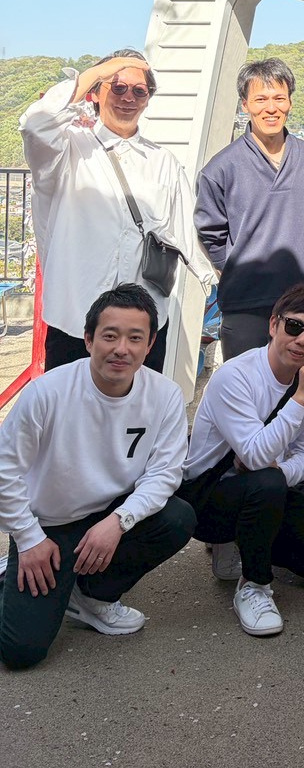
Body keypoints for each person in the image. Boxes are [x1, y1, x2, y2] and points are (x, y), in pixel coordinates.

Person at [0, 284, 195, 670]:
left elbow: (165, 473)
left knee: (178, 517)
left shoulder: (165, 395)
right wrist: (29, 537)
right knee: (22, 651)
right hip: (50, 525)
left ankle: (92, 596)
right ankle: (15, 571)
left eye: (135, 338)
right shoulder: (47, 393)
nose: (121, 348)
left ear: (150, 344)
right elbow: (5, 470)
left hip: (109, 514)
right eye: (110, 335)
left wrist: (118, 522)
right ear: (88, 339)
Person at [20, 50, 217, 372]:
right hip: (75, 318)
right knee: (70, 402)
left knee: (141, 403)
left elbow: (188, 232)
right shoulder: (67, 150)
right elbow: (35, 125)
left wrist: (221, 280)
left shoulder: (163, 162)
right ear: (95, 93)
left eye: (140, 91)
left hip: (144, 324)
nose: (128, 97)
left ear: (148, 99)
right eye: (118, 87)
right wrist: (100, 71)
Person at [179, 282, 304, 637]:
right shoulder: (236, 376)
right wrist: (300, 398)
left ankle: (248, 540)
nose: (302, 340)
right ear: (274, 324)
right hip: (208, 499)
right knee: (266, 480)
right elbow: (256, 455)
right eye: (294, 326)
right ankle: (254, 584)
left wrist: (281, 470)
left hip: (268, 492)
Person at [195, 57, 304, 361]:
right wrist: (239, 269)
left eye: (279, 98)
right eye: (260, 99)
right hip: (246, 306)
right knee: (246, 388)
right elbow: (210, 233)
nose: (271, 108)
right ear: (245, 104)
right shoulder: (221, 168)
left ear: (290, 102)